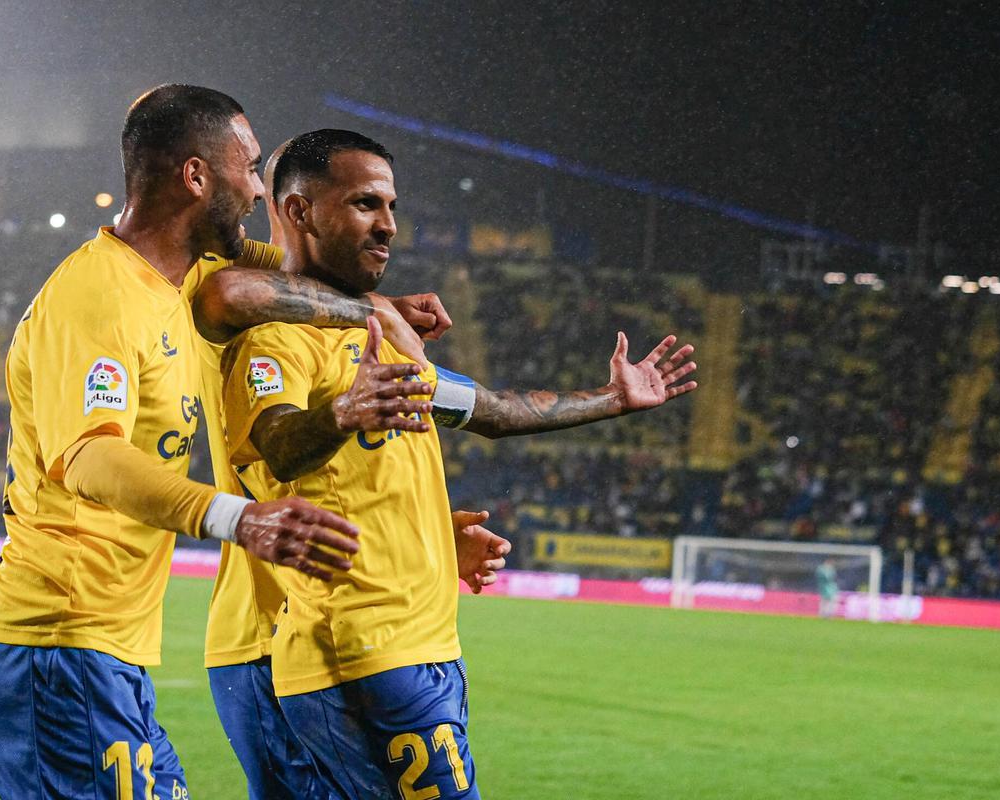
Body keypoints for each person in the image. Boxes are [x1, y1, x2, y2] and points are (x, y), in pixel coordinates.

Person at [0, 85, 443, 799]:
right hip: (51, 647)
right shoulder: (98, 296)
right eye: (247, 168)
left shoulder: (188, 277)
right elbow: (91, 455)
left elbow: (276, 275)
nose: (256, 190)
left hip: (99, 653)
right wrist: (238, 518)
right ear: (195, 176)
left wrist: (379, 309)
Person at [219, 129, 698, 798]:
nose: (387, 225)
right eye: (364, 204)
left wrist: (612, 399)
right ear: (298, 212)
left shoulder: (390, 335)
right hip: (364, 645)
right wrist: (342, 412)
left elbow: (493, 412)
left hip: (422, 637)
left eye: (391, 205)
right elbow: (278, 443)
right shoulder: (273, 339)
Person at [197, 141, 510, 800]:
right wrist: (379, 310)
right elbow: (228, 295)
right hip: (267, 629)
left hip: (304, 626)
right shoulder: (234, 288)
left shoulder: (322, 309)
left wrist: (427, 532)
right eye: (245, 168)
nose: (250, 188)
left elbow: (491, 411)